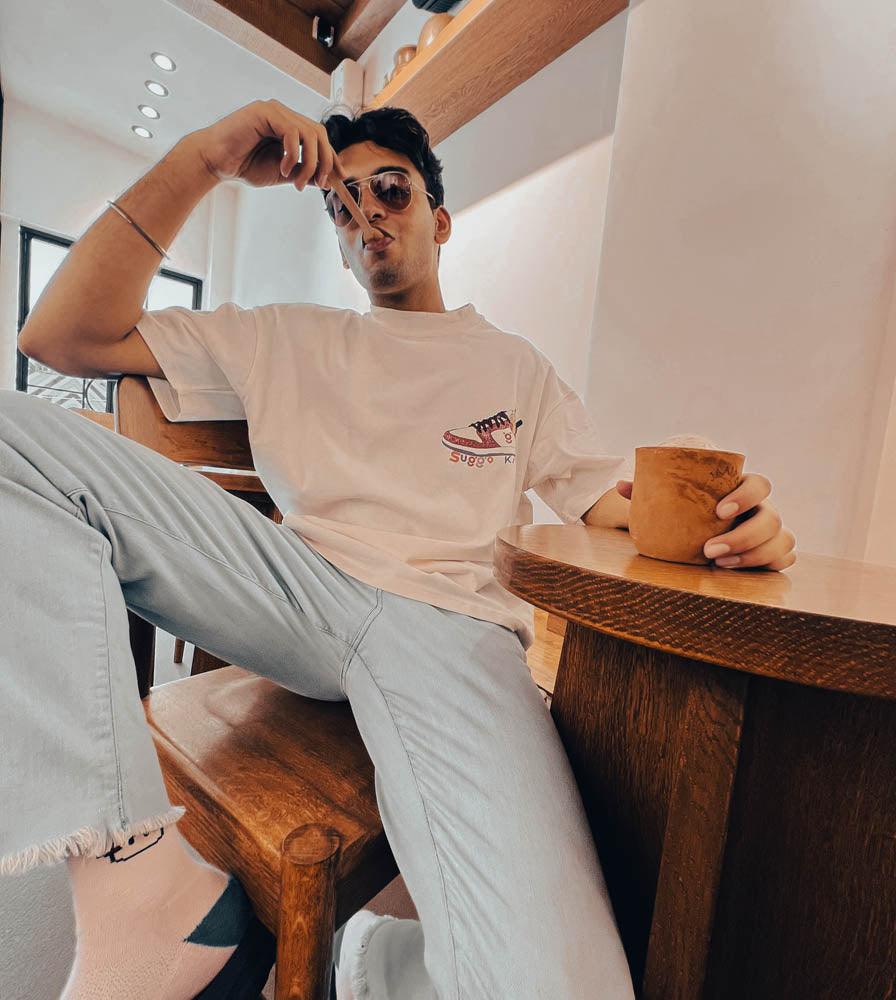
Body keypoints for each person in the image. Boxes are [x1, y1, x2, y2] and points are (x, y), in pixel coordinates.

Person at [2, 99, 797, 1000]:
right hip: (292, 585)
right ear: (338, 240)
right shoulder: (286, 334)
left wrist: (728, 525)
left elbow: (612, 509)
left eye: (393, 189)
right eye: (345, 205)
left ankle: (385, 960)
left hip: (451, 628)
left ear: (438, 216)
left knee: (558, 986)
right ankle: (142, 893)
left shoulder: (513, 367)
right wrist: (202, 159)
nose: (368, 212)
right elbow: (56, 336)